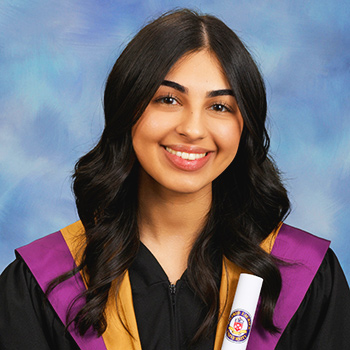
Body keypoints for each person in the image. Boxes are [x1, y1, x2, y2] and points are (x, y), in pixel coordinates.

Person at [0, 9, 349, 350]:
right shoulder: (43, 284)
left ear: (244, 128)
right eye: (168, 99)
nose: (193, 129)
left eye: (220, 107)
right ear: (129, 109)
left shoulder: (304, 277)